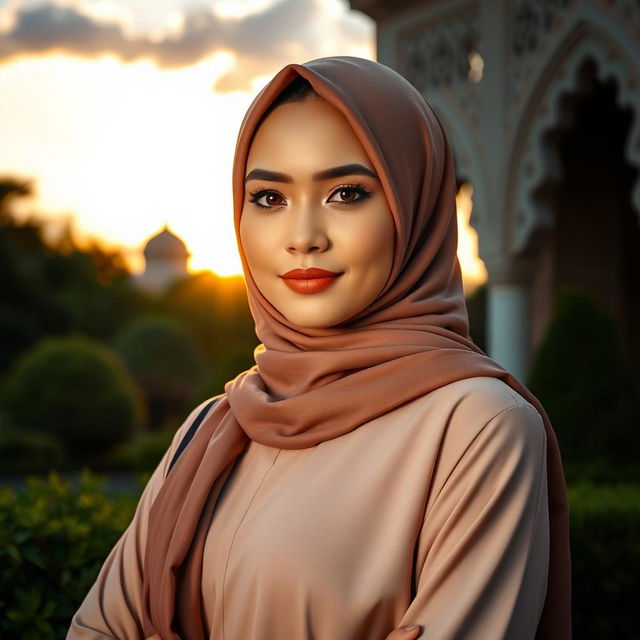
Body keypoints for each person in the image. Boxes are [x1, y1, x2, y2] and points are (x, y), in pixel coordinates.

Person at [67, 56, 571, 640]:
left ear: (415, 208)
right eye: (270, 199)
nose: (303, 236)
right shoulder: (214, 425)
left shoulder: (478, 426)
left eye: (347, 192)